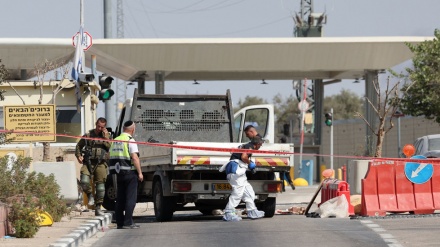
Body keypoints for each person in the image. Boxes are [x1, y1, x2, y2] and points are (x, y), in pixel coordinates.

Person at [219, 136, 266, 221]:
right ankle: (228, 213)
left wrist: (249, 164)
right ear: (257, 144)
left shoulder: (246, 145)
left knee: (249, 191)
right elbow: (244, 157)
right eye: (261, 144)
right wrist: (250, 163)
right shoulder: (250, 146)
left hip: (238, 171)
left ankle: (252, 211)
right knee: (238, 193)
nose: (261, 146)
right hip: (236, 170)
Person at [109, 120, 143, 229]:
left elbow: (108, 155)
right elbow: (134, 157)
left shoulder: (115, 140)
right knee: (130, 198)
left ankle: (119, 222)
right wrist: (140, 173)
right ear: (133, 129)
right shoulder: (130, 140)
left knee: (120, 198)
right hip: (129, 172)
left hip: (118, 173)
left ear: (123, 129)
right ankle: (128, 222)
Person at [75, 117, 111, 216]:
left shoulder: (107, 136)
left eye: (102, 127)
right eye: (98, 126)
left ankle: (98, 207)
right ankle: (90, 195)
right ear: (96, 124)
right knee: (84, 181)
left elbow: (109, 147)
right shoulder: (88, 135)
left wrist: (105, 137)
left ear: (104, 127)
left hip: (101, 163)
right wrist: (78, 156)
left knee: (100, 187)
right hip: (88, 162)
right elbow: (78, 146)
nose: (99, 128)